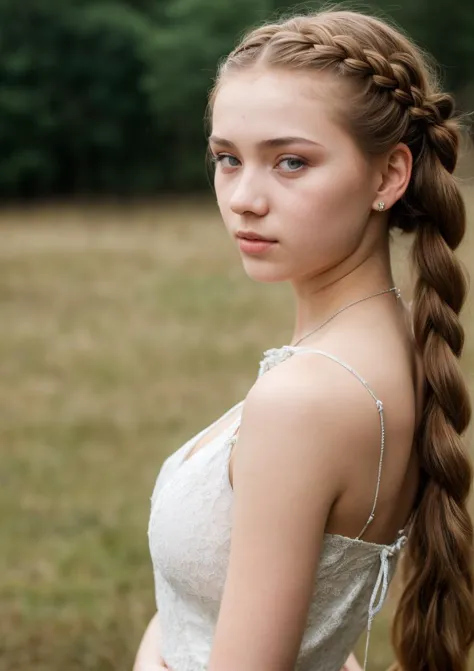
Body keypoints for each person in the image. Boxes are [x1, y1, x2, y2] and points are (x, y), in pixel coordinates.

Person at [135, 8, 474, 671]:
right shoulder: (387, 352)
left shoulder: (307, 399)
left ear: (388, 176)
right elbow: (319, 628)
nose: (244, 198)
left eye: (290, 161)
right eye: (227, 158)